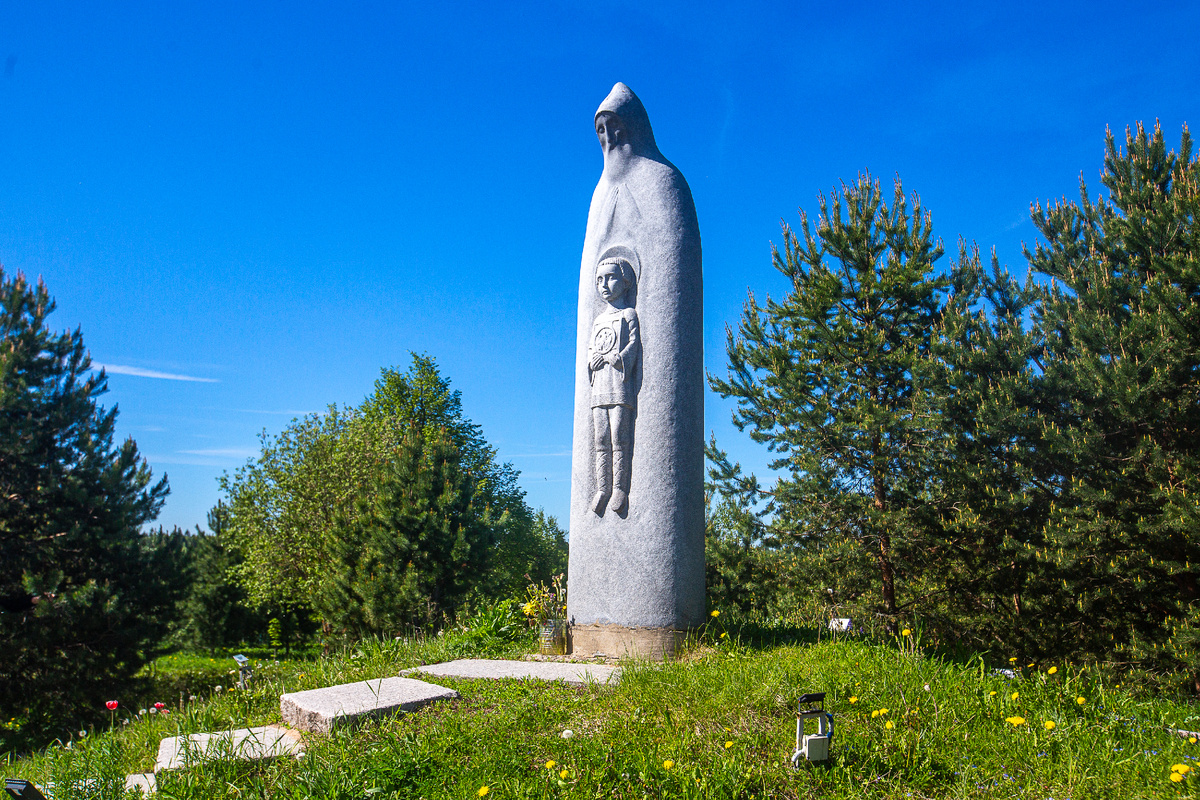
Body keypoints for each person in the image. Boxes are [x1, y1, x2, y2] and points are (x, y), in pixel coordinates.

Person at [588, 255, 640, 515]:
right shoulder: (598, 320)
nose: (604, 284)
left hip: (619, 384)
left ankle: (619, 488)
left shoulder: (629, 314)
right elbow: (590, 349)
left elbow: (633, 344)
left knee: (619, 434)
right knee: (600, 437)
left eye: (610, 277)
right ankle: (602, 488)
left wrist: (619, 358)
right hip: (599, 386)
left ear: (626, 281)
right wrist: (593, 359)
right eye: (599, 279)